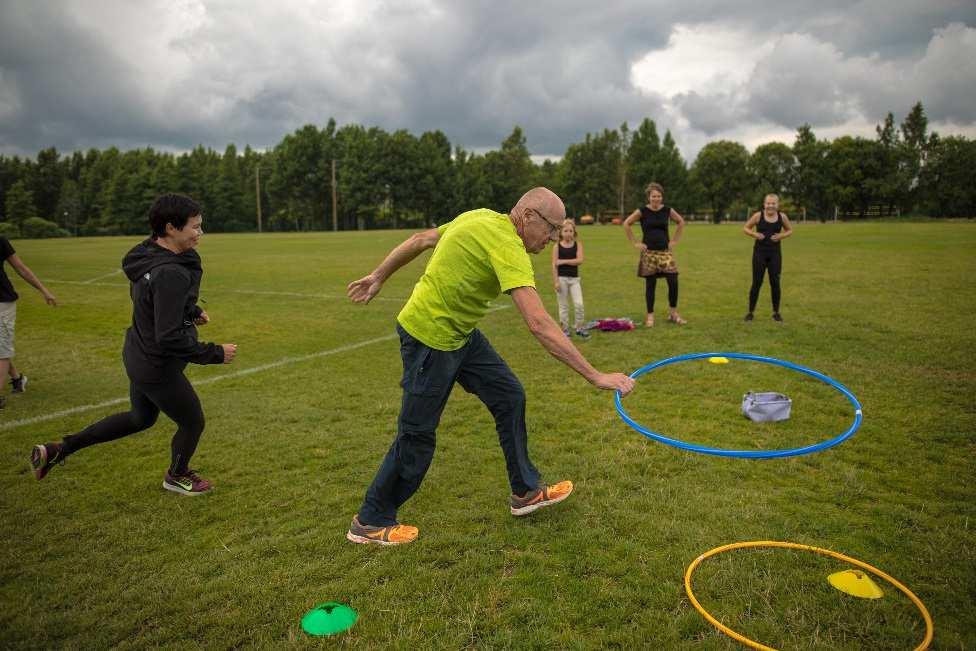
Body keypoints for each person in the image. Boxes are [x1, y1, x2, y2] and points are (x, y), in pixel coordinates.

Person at [345, 187, 635, 545]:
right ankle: (370, 520)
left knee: (509, 396)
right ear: (528, 216)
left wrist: (379, 275)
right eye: (551, 228)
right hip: (430, 338)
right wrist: (595, 375)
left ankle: (525, 492)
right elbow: (540, 323)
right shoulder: (508, 246)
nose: (554, 238)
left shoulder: (479, 215)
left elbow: (421, 240)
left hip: (461, 334)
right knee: (417, 434)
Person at [29, 194, 238, 495]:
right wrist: (215, 353)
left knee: (140, 418)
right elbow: (168, 336)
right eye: (195, 227)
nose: (200, 233)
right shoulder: (170, 273)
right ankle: (177, 475)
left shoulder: (147, 254)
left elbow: (153, 301)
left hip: (138, 354)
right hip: (157, 365)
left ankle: (60, 448)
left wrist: (190, 310)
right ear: (170, 228)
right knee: (192, 422)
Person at [0, 235, 57, 410]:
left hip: (2, 302)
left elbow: (20, 268)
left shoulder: (0, 241)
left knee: (2, 350)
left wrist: (44, 290)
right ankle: (17, 379)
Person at [622, 182, 687, 327]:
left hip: (665, 252)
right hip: (648, 253)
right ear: (649, 197)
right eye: (653, 196)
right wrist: (635, 242)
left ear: (662, 197)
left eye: (658, 196)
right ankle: (650, 316)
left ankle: (673, 313)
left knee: (673, 280)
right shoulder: (642, 211)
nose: (656, 199)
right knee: (651, 284)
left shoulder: (668, 210)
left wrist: (675, 240)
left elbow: (680, 222)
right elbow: (626, 223)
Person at [743, 193, 793, 322]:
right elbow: (745, 228)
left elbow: (790, 230)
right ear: (764, 204)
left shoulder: (782, 217)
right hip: (759, 254)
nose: (771, 206)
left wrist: (781, 236)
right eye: (768, 203)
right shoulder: (758, 216)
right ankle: (750, 312)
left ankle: (776, 313)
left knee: (775, 283)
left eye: (773, 203)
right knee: (756, 283)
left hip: (775, 254)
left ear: (777, 205)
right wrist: (754, 234)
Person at [551, 218, 588, 339]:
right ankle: (565, 329)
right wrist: (556, 281)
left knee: (579, 304)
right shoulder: (557, 247)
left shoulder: (578, 245)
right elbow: (554, 265)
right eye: (565, 230)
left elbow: (580, 260)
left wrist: (562, 261)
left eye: (570, 231)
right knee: (563, 306)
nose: (568, 233)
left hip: (574, 280)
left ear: (574, 232)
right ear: (561, 232)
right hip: (561, 279)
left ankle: (579, 327)